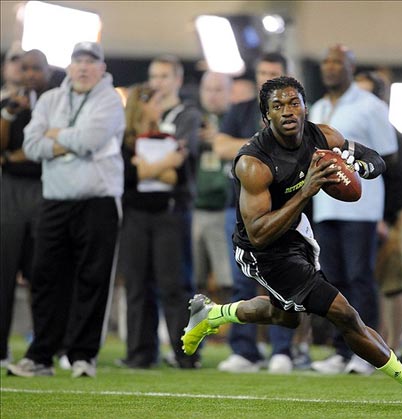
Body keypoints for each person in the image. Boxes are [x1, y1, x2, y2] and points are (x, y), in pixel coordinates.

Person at [181, 76, 402, 410]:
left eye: (293, 102)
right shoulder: (253, 162)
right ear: (266, 118)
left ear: (305, 106)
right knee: (345, 314)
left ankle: (212, 315)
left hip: (296, 235)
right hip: (262, 250)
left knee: (287, 317)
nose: (288, 111)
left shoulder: (321, 135)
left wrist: (361, 167)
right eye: (277, 106)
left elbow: (375, 158)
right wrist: (308, 189)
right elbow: (258, 233)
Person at [7, 42, 124, 378]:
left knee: (92, 278)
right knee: (43, 277)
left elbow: (91, 140)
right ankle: (41, 355)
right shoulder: (50, 99)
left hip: (98, 199)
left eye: (91, 62)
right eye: (78, 61)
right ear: (69, 67)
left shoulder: (109, 99)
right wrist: (68, 140)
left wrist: (54, 137)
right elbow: (31, 145)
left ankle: (82, 356)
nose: (84, 67)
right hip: (55, 198)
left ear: (102, 69)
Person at [309, 45, 399, 375]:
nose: (330, 67)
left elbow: (389, 156)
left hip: (360, 208)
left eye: (337, 62)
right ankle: (339, 350)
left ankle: (369, 353)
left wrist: (355, 173)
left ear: (351, 66)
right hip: (324, 205)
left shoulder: (370, 106)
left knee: (360, 279)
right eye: (326, 61)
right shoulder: (317, 106)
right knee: (332, 282)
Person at [212, 52, 297, 373]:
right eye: (262, 71)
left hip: (282, 211)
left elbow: (297, 150)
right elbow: (220, 147)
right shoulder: (240, 109)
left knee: (283, 282)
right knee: (241, 282)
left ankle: (282, 350)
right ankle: (245, 351)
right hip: (240, 211)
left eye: (273, 72)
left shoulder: (295, 113)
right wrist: (266, 147)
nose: (266, 77)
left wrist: (245, 148)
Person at [118, 55, 201, 369]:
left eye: (164, 76)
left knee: (175, 284)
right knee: (138, 284)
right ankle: (140, 353)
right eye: (154, 78)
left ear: (178, 79)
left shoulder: (183, 119)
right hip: (135, 215)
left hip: (170, 212)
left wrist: (146, 168)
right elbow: (127, 175)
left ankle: (185, 354)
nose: (158, 85)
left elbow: (175, 172)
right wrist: (164, 163)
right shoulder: (126, 139)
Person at [355, 70, 402, 364]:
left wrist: (387, 218)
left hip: (389, 214)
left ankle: (395, 344)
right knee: (367, 281)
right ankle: (375, 345)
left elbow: (401, 182)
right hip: (361, 215)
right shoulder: (352, 131)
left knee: (393, 282)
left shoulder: (392, 134)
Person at [1, 49, 52, 367]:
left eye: (37, 68)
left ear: (47, 71)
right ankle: (2, 349)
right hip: (9, 193)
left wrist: (9, 157)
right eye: (26, 68)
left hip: (47, 189)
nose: (31, 74)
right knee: (4, 272)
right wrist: (7, 114)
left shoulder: (56, 104)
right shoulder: (9, 104)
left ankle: (44, 348)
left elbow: (43, 149)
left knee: (44, 274)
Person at [193, 71, 234, 303]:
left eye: (219, 89)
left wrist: (219, 139)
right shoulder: (192, 119)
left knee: (228, 279)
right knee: (194, 279)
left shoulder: (236, 119)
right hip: (195, 208)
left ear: (230, 92)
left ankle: (229, 333)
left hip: (225, 209)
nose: (213, 95)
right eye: (208, 89)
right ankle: (196, 334)